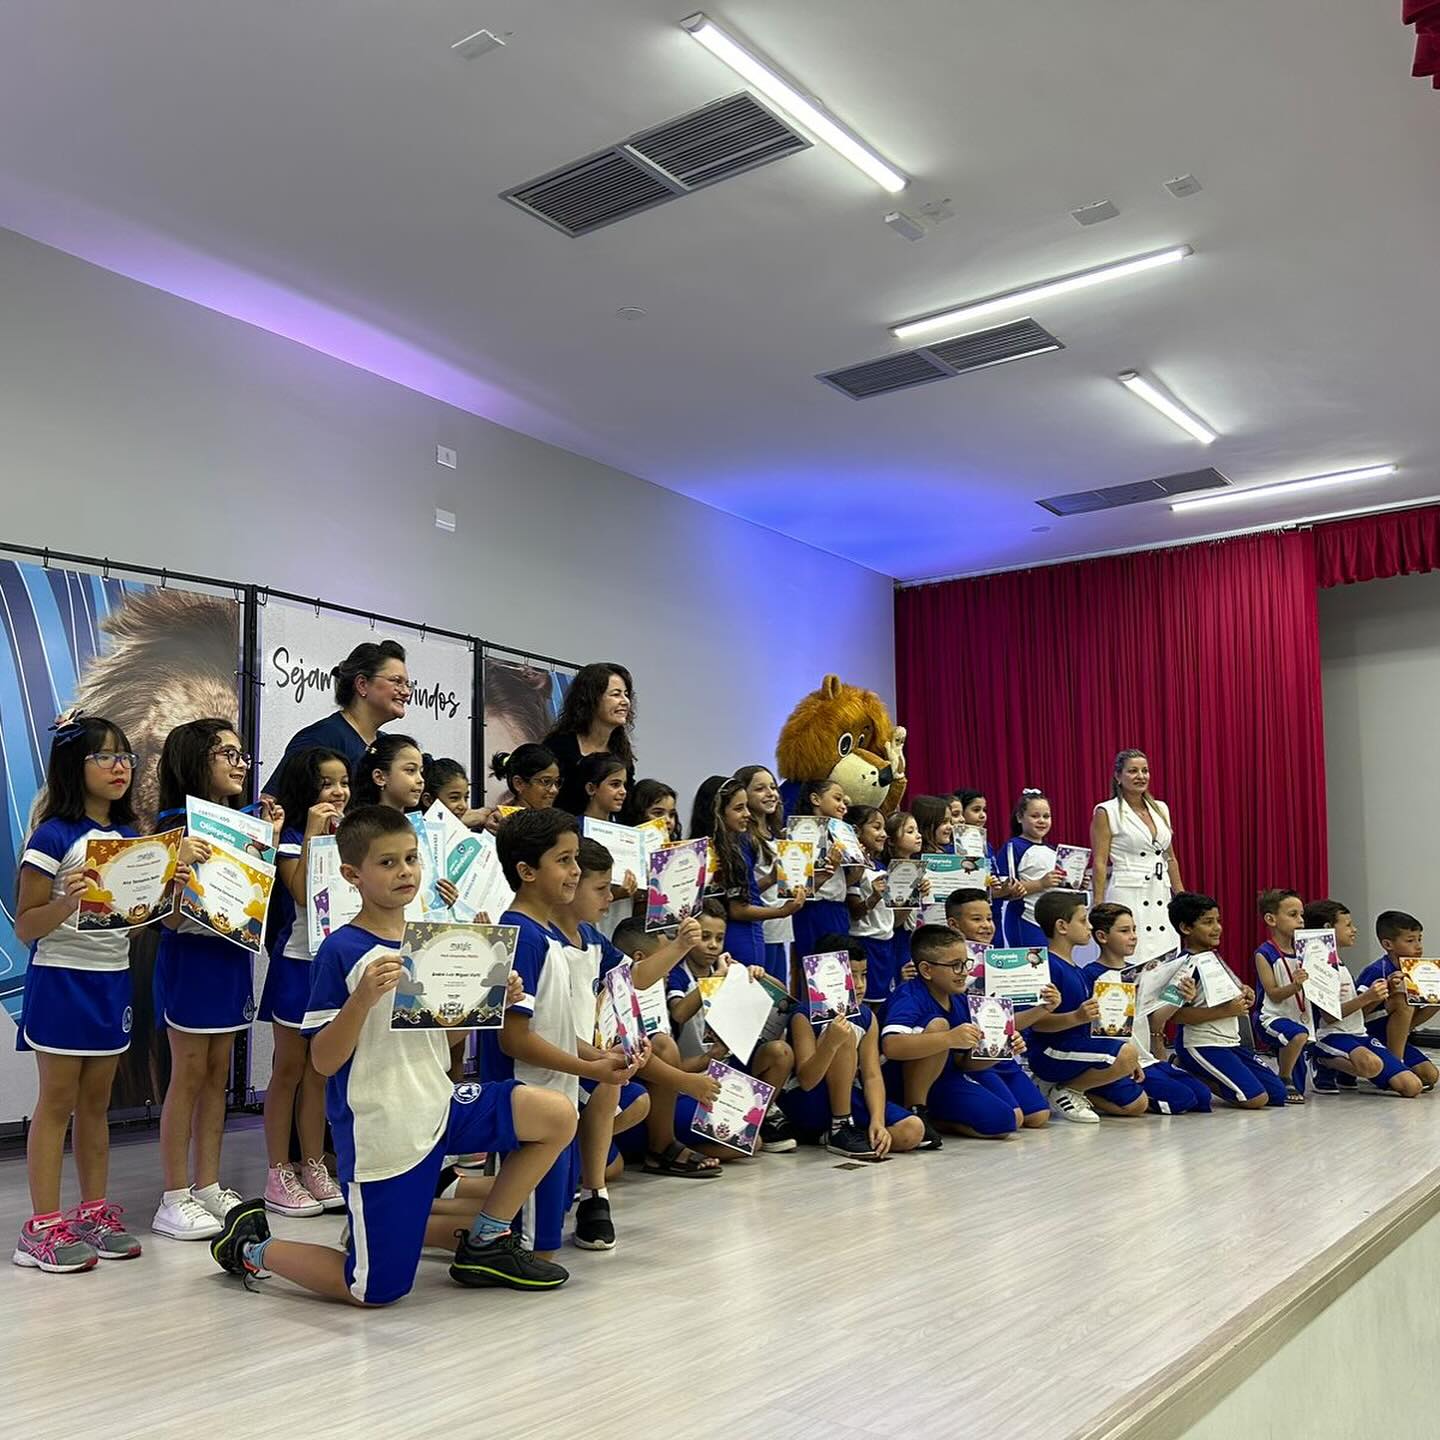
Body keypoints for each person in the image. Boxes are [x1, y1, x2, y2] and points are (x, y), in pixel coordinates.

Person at [209, 805, 574, 1300]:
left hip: (441, 1105)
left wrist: (488, 1003)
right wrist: (360, 1001)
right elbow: (323, 1061)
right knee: (372, 1290)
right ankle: (252, 1247)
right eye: (387, 862)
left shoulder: (429, 941)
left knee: (556, 1114)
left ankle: (487, 1240)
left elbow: (441, 1042)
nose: (405, 871)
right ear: (351, 875)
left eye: (411, 858)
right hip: (384, 1128)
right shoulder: (341, 950)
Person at [12, 714, 154, 1271]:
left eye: (125, 757)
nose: (121, 767)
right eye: (106, 756)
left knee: (98, 1105)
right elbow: (26, 926)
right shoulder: (52, 835)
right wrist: (68, 902)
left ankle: (94, 1212)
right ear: (76, 764)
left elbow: (128, 929)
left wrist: (160, 897)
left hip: (112, 981)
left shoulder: (129, 839)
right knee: (57, 1103)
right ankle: (41, 1227)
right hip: (61, 981)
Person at [481, 809, 640, 1257]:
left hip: (555, 1104)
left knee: (537, 1234)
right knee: (537, 1250)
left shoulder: (549, 935)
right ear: (527, 871)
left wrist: (598, 1059)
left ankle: (426, 1220)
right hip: (530, 1102)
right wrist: (590, 1068)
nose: (574, 872)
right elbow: (515, 1040)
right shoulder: (522, 935)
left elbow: (553, 1029)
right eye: (565, 861)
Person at [152, 719, 284, 1240]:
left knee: (216, 1077)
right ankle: (173, 1196)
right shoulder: (173, 826)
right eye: (226, 753)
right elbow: (163, 918)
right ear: (193, 760)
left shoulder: (246, 823)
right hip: (191, 961)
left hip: (232, 958)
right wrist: (175, 870)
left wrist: (269, 842)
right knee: (187, 1074)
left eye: (241, 754)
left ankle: (207, 1184)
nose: (239, 763)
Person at [257, 747, 349, 1217]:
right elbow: (302, 892)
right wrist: (314, 832)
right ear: (306, 788)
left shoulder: (351, 838)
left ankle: (314, 1164)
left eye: (344, 782)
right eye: (327, 783)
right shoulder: (292, 837)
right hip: (296, 965)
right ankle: (279, 1170)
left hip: (333, 969)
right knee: (289, 1070)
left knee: (320, 1073)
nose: (338, 791)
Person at [551, 837, 657, 1245]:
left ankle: (595, 1193)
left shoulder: (593, 939)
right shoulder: (541, 939)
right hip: (551, 1065)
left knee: (619, 1084)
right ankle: (447, 1188)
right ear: (570, 884)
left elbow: (634, 980)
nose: (611, 898)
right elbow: (540, 1030)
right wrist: (598, 1057)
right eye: (601, 889)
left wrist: (682, 945)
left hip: (583, 1065)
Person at [665, 898, 797, 1155]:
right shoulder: (677, 973)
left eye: (719, 938)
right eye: (705, 937)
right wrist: (716, 978)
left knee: (780, 1052)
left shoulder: (728, 969)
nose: (713, 945)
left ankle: (761, 1116)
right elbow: (680, 1013)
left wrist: (761, 976)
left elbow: (784, 1001)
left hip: (725, 1068)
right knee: (750, 1146)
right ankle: (691, 1145)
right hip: (689, 1074)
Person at [780, 933, 925, 1158]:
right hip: (810, 1100)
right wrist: (830, 1043)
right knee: (845, 1035)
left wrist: (877, 1121)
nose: (858, 985)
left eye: (863, 975)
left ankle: (833, 1135)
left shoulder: (867, 1017)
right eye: (850, 976)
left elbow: (872, 1076)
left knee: (912, 1131)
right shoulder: (803, 1016)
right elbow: (807, 1081)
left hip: (849, 1094)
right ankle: (840, 1128)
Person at [881, 924, 1023, 1148]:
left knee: (1005, 1121)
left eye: (966, 963)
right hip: (898, 1080)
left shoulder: (959, 1000)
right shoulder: (909, 996)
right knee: (938, 1026)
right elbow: (891, 1046)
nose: (964, 972)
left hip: (943, 1078)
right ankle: (915, 1109)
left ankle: (935, 1120)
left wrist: (1000, 1049)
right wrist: (948, 1038)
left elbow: (964, 1062)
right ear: (926, 970)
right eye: (955, 965)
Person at [1021, 892, 1149, 1123]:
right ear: (1062, 926)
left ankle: (1058, 1088)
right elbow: (1037, 1024)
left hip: (1080, 1048)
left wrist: (1122, 1063)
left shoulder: (1076, 969)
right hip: (1051, 1051)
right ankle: (1066, 1090)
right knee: (1128, 1054)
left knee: (1137, 1104)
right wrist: (1077, 1017)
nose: (1089, 926)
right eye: (1083, 920)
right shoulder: (1048, 966)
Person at [610, 917, 723, 1177]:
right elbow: (635, 1052)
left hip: (664, 1097)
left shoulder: (655, 991)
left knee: (747, 1138)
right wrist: (688, 1081)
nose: (671, 966)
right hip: (629, 1101)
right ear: (639, 959)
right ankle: (661, 1147)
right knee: (662, 1045)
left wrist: (704, 1064)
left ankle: (660, 1146)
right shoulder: (617, 989)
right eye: (667, 956)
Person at [1084, 902, 1211, 1115]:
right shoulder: (1092, 975)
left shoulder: (1138, 972)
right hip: (1121, 1061)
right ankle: (1092, 1093)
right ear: (1102, 937)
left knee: (1202, 1096)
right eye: (1124, 931)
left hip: (1146, 1058)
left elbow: (1154, 1021)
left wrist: (1179, 997)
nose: (1133, 936)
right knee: (1181, 1100)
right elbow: (1102, 1032)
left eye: (1134, 930)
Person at [942, 888, 1056, 1125]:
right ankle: (940, 1117)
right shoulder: (942, 967)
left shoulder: (1000, 963)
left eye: (989, 918)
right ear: (953, 924)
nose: (986, 925)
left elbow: (1009, 1022)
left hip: (999, 1053)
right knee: (1013, 1118)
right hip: (969, 1057)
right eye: (976, 919)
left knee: (1038, 1116)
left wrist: (1044, 1008)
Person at [1168, 892, 1286, 1109]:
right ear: (1186, 928)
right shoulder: (1184, 966)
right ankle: (1185, 1066)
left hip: (1231, 1042)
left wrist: (1245, 992)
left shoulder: (1213, 957)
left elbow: (1225, 994)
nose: (1217, 928)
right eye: (1208, 922)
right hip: (1202, 1043)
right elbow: (1174, 1016)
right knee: (1256, 1099)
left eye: (1218, 921)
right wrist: (1226, 1011)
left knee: (1277, 1094)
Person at [1304, 900, 1422, 1097]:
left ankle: (1348, 1071)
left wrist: (1385, 989)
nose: (1354, 930)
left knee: (1412, 1087)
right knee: (1371, 1065)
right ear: (1328, 928)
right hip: (1331, 1034)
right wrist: (1368, 997)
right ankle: (1321, 1059)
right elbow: (1329, 1017)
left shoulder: (1338, 962)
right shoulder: (1317, 965)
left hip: (1359, 1034)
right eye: (1348, 925)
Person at [263, 640, 409, 792]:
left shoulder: (386, 745)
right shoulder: (320, 738)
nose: (406, 692)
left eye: (407, 684)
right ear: (362, 684)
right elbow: (272, 801)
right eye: (396, 681)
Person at [1090, 749, 1182, 964]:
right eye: (1133, 771)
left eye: (1145, 771)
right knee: (1132, 955)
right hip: (1128, 893)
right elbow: (1100, 861)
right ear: (1118, 776)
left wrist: (1181, 896)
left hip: (1161, 892)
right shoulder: (1107, 811)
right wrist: (1098, 904)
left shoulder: (1161, 808)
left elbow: (1169, 857)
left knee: (1167, 956)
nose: (1141, 776)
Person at [709, 776, 801, 979]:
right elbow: (737, 908)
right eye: (739, 808)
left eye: (773, 787)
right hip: (742, 934)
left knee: (773, 990)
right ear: (718, 811)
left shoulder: (733, 848)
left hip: (759, 931)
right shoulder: (735, 847)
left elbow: (744, 893)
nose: (747, 814)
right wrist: (782, 911)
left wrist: (771, 879)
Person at [1357, 910, 1440, 1088]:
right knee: (1402, 1000)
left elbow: (1420, 1009)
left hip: (1391, 1032)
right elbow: (1357, 1013)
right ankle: (1396, 1064)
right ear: (1388, 944)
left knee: (1430, 1075)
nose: (1418, 946)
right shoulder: (1377, 971)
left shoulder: (1417, 970)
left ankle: (1397, 1047)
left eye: (1419, 939)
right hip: (1369, 1031)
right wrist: (1384, 992)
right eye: (1410, 941)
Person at [544, 662, 635, 816]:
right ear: (591, 699)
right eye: (616, 694)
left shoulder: (622, 753)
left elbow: (627, 809)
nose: (625, 701)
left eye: (626, 694)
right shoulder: (558, 746)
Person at [1252, 888, 1312, 1103]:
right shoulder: (1264, 953)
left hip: (1298, 1019)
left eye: (1302, 914)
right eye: (1293, 915)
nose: (1301, 920)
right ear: (1271, 919)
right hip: (1271, 1017)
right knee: (1298, 1035)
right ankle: (1284, 1077)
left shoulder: (1308, 952)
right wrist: (1295, 986)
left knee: (1299, 1089)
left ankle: (1278, 1081)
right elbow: (1274, 994)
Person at [790, 778, 856, 961]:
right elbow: (796, 886)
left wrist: (858, 864)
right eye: (837, 799)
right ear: (815, 799)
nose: (843, 806)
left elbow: (839, 884)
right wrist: (829, 869)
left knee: (839, 969)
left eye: (844, 802)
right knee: (817, 968)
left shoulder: (838, 835)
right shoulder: (799, 834)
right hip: (812, 909)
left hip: (838, 909)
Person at [737, 765, 792, 983]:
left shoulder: (778, 835)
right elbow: (744, 892)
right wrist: (771, 879)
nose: (770, 793)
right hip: (761, 930)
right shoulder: (745, 839)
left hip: (780, 929)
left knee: (781, 995)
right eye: (760, 789)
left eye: (773, 787)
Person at [999, 788, 1067, 948]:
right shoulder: (1013, 847)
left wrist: (1076, 883)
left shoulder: (1053, 851)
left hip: (1052, 922)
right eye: (1035, 816)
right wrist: (1040, 883)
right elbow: (1003, 889)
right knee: (1033, 963)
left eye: (1046, 816)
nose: (1041, 821)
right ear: (1019, 817)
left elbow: (1059, 887)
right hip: (1026, 919)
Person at [848, 804, 900, 1004]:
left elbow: (892, 917)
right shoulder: (855, 868)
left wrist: (913, 894)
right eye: (877, 827)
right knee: (864, 1001)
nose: (884, 834)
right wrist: (873, 897)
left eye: (884, 828)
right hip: (865, 942)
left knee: (884, 1002)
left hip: (887, 943)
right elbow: (854, 912)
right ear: (856, 830)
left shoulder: (881, 867)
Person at [347, 733, 425, 813]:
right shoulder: (364, 820)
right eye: (410, 770)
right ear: (379, 777)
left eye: (421, 772)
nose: (421, 780)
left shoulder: (415, 819)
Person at [490, 743, 562, 813]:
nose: (554, 790)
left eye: (557, 782)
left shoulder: (551, 818)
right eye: (545, 781)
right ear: (519, 783)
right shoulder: (501, 819)